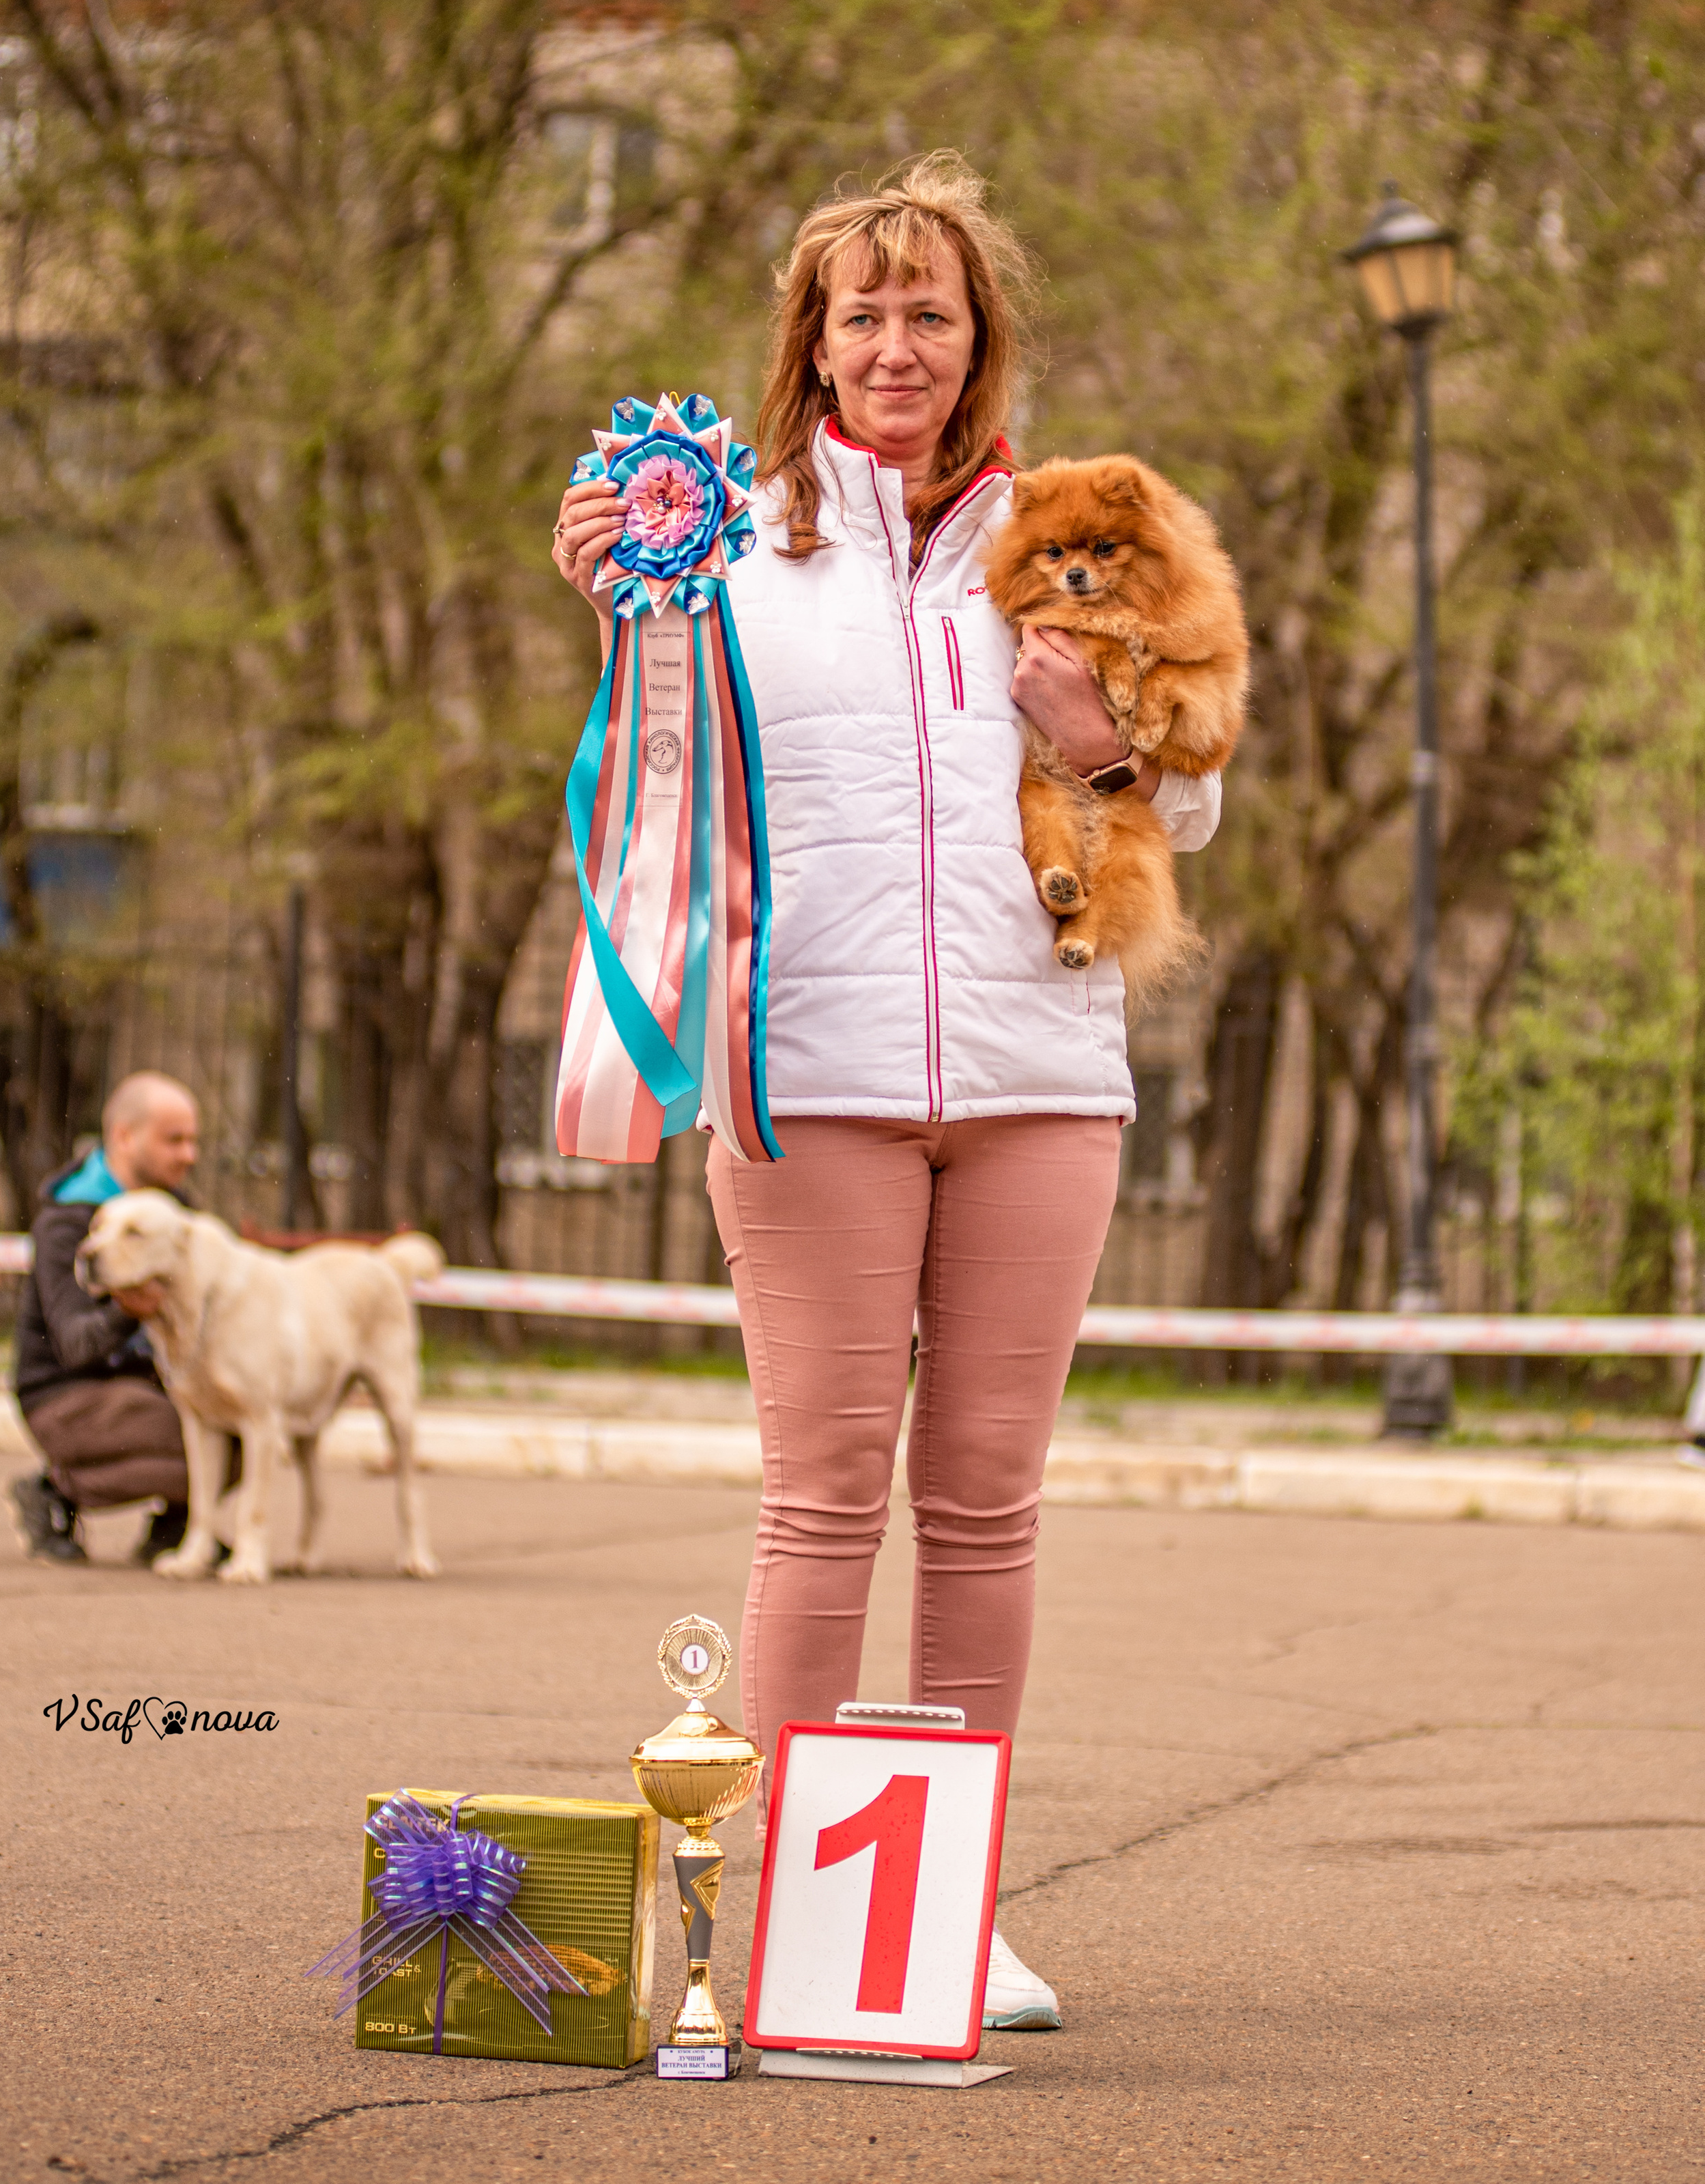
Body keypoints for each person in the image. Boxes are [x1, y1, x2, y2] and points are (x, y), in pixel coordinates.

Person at [551, 154, 1222, 2030]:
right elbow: (658, 788)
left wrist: (1108, 745)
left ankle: (947, 1911)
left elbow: (1198, 796)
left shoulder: (1083, 536)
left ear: (977, 334)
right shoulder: (732, 548)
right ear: (815, 342)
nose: (900, 341)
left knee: (990, 1497)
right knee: (824, 1490)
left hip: (1039, 1075)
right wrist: (621, 609)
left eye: (932, 310)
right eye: (866, 312)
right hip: (807, 1079)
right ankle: (781, 1927)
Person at [8, 1071, 203, 1565]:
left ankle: (176, 1527)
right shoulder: (69, 1220)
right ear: (123, 1136)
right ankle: (54, 1490)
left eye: (193, 1140)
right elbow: (74, 1344)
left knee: (238, 1420)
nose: (189, 1155)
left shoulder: (175, 1212)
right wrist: (123, 1310)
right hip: (66, 1390)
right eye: (173, 1140)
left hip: (145, 1383)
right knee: (197, 1442)